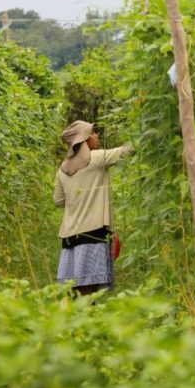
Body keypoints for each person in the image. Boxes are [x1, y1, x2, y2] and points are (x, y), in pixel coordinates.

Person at [54, 120, 132, 296]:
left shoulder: (62, 170)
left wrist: (77, 198)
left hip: (69, 239)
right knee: (89, 292)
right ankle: (87, 322)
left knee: (74, 290)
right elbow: (125, 152)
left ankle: (76, 322)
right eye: (93, 133)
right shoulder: (96, 159)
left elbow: (58, 200)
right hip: (92, 234)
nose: (97, 136)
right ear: (84, 140)